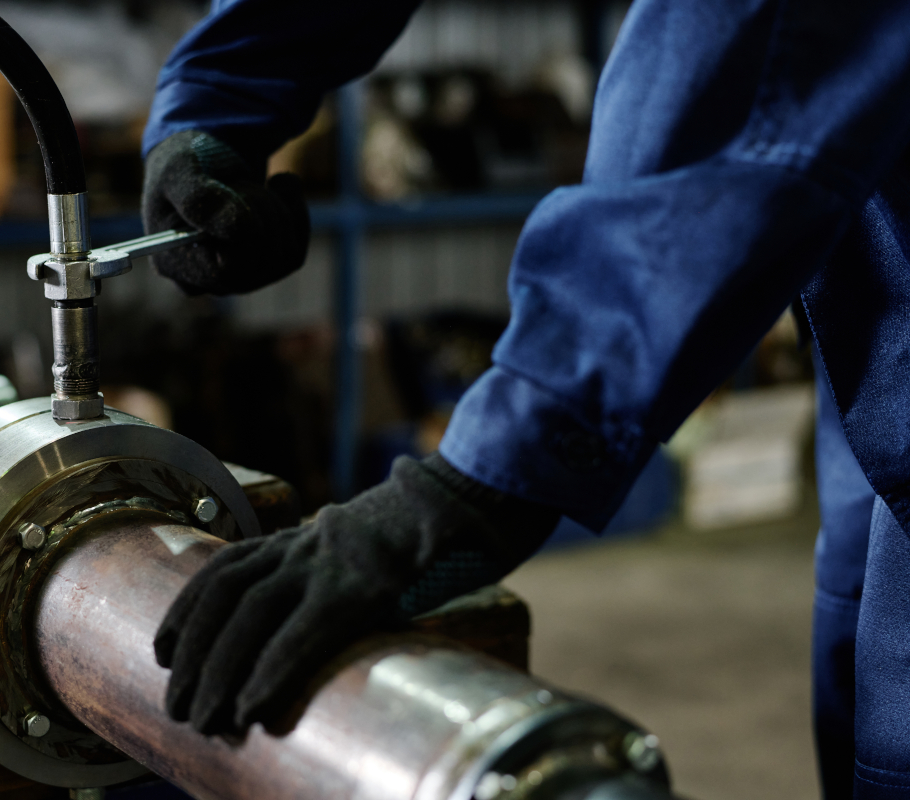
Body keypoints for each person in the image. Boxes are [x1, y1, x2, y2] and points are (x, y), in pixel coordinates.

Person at [139, 2, 910, 798]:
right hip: (875, 316)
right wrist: (215, 99)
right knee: (860, 674)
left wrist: (479, 488)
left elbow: (761, 55)